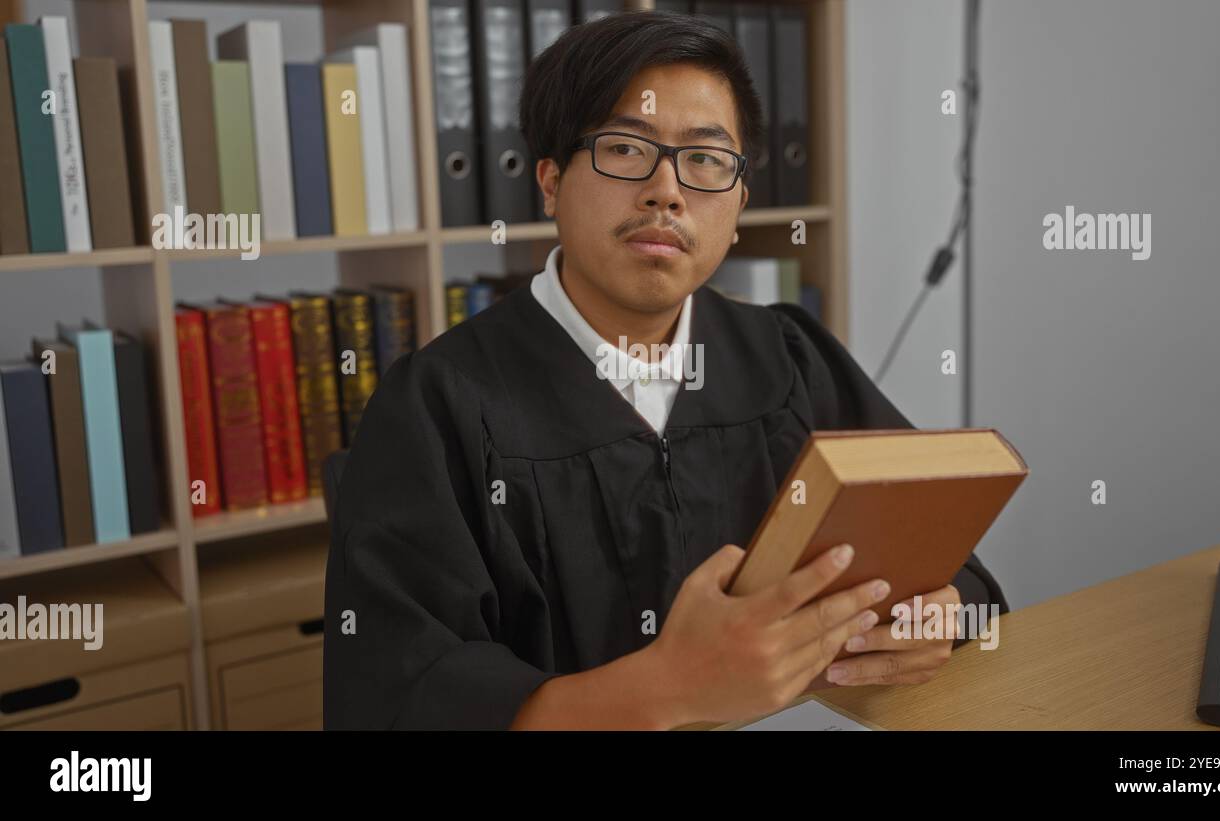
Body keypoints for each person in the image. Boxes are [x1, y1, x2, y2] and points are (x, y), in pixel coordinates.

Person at [323, 10, 1007, 730]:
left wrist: (943, 616)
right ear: (550, 183)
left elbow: (957, 565)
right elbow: (397, 698)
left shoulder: (789, 360)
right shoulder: (437, 406)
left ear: (740, 202)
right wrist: (667, 690)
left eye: (707, 161)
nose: (667, 192)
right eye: (625, 149)